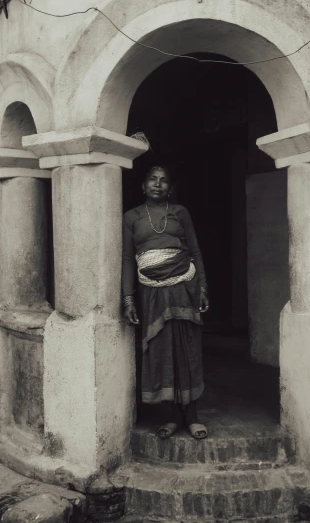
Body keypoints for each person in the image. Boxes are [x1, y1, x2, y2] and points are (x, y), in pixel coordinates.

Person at [122, 165, 210, 440]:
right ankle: (170, 417)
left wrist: (203, 287)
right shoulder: (131, 217)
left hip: (184, 286)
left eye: (163, 180)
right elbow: (126, 258)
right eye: (152, 179)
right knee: (161, 350)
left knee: (187, 348)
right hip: (152, 293)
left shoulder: (180, 213)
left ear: (169, 187)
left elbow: (194, 250)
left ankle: (192, 416)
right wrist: (128, 297)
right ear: (143, 186)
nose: (158, 184)